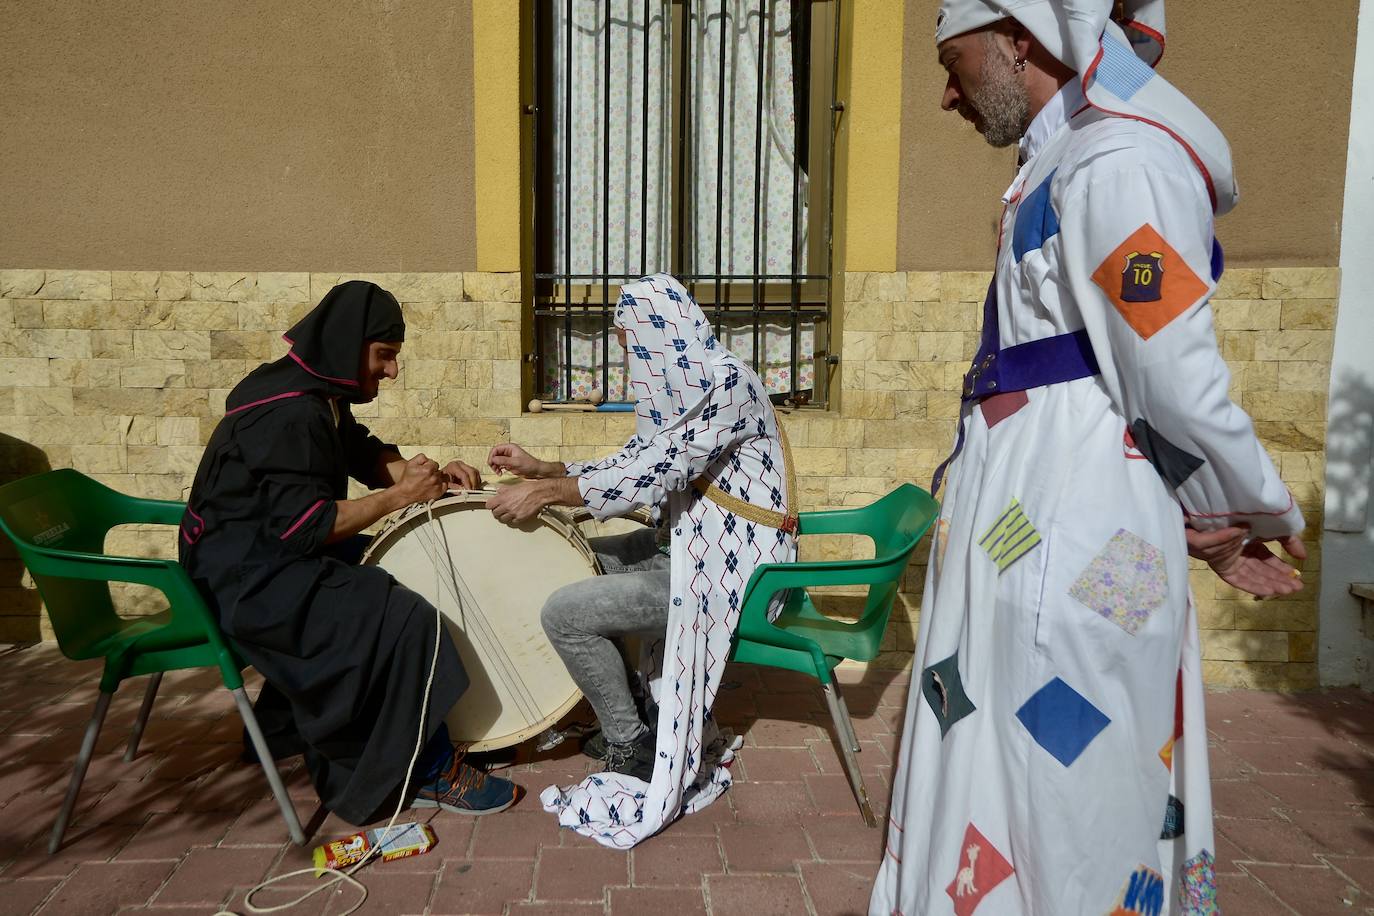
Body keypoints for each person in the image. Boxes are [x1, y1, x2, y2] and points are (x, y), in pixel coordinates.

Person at [870, 2, 1306, 913]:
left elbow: (1168, 362)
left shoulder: (1121, 163)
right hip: (1037, 519)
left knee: (1076, 768)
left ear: (1019, 37)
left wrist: (1240, 511)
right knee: (1008, 746)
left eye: (954, 65)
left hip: (1080, 532)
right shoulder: (1065, 161)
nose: (946, 96)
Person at [180, 280, 518, 825]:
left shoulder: (314, 394)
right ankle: (422, 767)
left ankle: (284, 723)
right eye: (384, 356)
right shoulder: (289, 413)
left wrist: (426, 479)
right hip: (245, 582)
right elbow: (309, 527)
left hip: (263, 555)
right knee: (404, 617)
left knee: (410, 560)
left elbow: (358, 451)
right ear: (346, 345)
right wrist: (399, 496)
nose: (392, 370)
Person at [483, 273, 798, 847]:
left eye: (631, 345)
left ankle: (631, 742)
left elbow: (657, 473)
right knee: (576, 561)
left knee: (565, 613)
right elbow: (637, 457)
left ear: (661, 334)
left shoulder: (725, 385)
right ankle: (634, 708)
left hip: (734, 573)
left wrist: (547, 495)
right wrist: (545, 470)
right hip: (688, 547)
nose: (629, 361)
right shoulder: (694, 383)